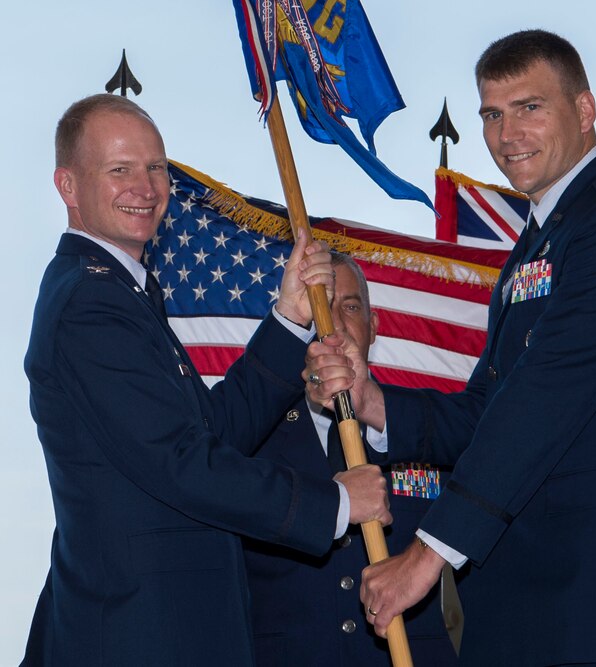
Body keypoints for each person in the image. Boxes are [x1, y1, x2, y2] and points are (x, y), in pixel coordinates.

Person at [307, 30, 596, 666]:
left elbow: (546, 402)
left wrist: (428, 554)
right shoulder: (537, 249)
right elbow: (489, 412)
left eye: (529, 107)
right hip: (537, 606)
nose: (507, 134)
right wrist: (371, 401)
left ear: (585, 110)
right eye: (492, 114)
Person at [21, 94, 391, 666]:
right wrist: (335, 504)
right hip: (138, 633)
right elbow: (182, 462)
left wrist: (288, 319)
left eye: (157, 168)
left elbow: (211, 433)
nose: (146, 188)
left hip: (168, 627)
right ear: (67, 185)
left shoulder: (124, 292)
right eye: (119, 169)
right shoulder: (89, 302)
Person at [241, 252, 458, 666]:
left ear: (374, 328)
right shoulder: (253, 436)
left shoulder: (428, 429)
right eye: (320, 303)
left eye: (351, 307)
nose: (334, 322)